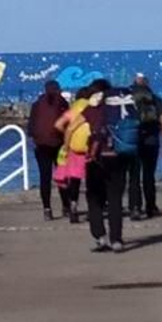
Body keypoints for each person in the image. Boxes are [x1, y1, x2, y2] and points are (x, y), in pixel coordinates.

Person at [81, 79, 128, 252]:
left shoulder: (92, 110)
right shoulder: (119, 108)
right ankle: (116, 239)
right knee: (115, 200)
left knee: (94, 199)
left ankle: (100, 236)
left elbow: (76, 127)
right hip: (119, 156)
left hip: (96, 158)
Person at [125, 72, 162, 219]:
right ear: (147, 83)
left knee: (133, 175)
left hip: (133, 140)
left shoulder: (128, 99)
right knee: (149, 174)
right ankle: (151, 206)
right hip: (152, 140)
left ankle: (135, 207)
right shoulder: (155, 99)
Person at [52, 85, 96, 224]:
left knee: (75, 180)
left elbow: (58, 125)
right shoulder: (93, 108)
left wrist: (67, 137)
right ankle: (93, 209)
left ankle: (73, 206)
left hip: (75, 148)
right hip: (91, 148)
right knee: (92, 181)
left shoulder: (73, 108)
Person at [28, 80, 70, 219]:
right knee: (62, 176)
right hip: (59, 144)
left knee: (44, 178)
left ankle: (47, 209)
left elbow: (31, 128)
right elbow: (68, 123)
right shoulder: (63, 103)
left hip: (41, 146)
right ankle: (66, 206)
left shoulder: (36, 105)